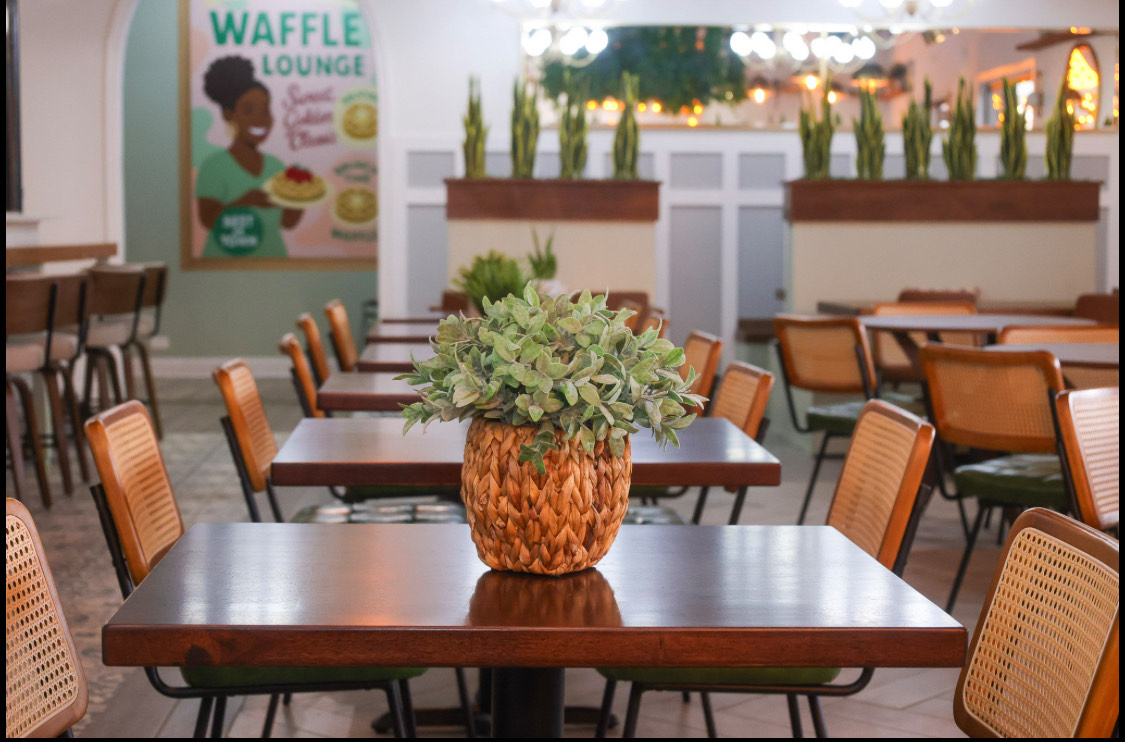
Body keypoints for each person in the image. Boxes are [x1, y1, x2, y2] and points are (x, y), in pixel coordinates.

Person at [196, 56, 302, 258]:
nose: (260, 118)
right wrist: (245, 201)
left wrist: (301, 199)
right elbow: (207, 220)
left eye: (265, 110)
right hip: (223, 265)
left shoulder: (275, 165)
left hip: (273, 262)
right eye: (249, 110)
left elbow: (287, 222)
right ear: (229, 114)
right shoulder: (214, 165)